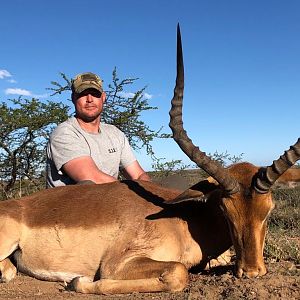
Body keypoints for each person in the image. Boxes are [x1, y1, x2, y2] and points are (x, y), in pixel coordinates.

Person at [46, 72, 151, 188]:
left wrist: (149, 189)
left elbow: (138, 175)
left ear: (103, 97)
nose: (89, 99)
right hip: (73, 204)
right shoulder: (64, 133)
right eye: (83, 94)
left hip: (113, 199)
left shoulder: (115, 133)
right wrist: (138, 193)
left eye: (95, 93)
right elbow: (93, 179)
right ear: (73, 98)